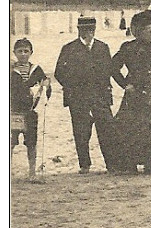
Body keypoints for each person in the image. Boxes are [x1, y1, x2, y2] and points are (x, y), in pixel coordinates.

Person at [111, 10, 151, 174]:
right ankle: (130, 163)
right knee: (133, 128)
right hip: (136, 95)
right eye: (149, 31)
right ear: (140, 32)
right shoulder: (129, 48)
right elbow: (112, 67)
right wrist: (125, 84)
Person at [54, 15, 118, 174]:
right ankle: (84, 164)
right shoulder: (68, 49)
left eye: (91, 29)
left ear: (95, 29)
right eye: (84, 29)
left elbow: (108, 70)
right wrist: (73, 88)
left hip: (100, 96)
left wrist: (104, 89)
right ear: (78, 30)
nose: (88, 33)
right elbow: (59, 73)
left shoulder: (103, 47)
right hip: (78, 97)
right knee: (81, 131)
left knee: (107, 130)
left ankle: (111, 163)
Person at [10, 38, 51, 182]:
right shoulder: (10, 70)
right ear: (14, 53)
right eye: (19, 51)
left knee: (31, 142)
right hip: (13, 111)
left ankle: (32, 172)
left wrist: (46, 84)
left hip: (30, 111)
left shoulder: (36, 70)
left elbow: (45, 82)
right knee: (11, 142)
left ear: (31, 53)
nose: (23, 54)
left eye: (26, 51)